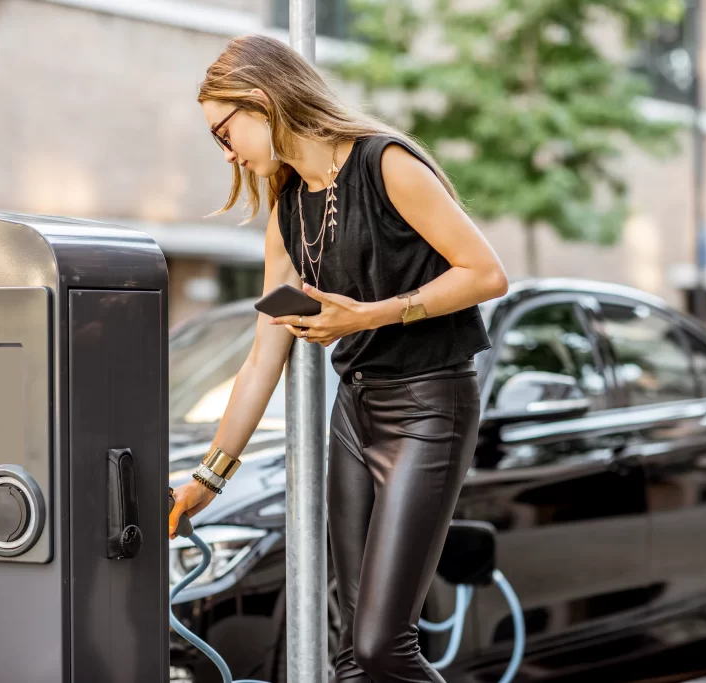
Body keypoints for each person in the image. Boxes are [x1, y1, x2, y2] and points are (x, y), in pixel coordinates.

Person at [169, 34, 509, 682]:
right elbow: (262, 358)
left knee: (385, 644)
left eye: (225, 130)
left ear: (263, 100)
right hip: (355, 414)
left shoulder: (387, 164)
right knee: (351, 655)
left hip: (429, 406)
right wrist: (207, 479)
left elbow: (487, 273)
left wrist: (372, 314)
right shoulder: (286, 209)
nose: (226, 150)